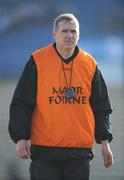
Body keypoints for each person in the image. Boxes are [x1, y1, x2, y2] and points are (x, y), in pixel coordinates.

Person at [8, 13, 114, 180]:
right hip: (44, 153)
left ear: (78, 35)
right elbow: (21, 103)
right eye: (65, 31)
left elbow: (101, 107)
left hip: (79, 155)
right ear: (54, 34)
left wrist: (105, 142)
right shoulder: (37, 60)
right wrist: (21, 138)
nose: (69, 35)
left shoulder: (90, 64)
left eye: (73, 31)